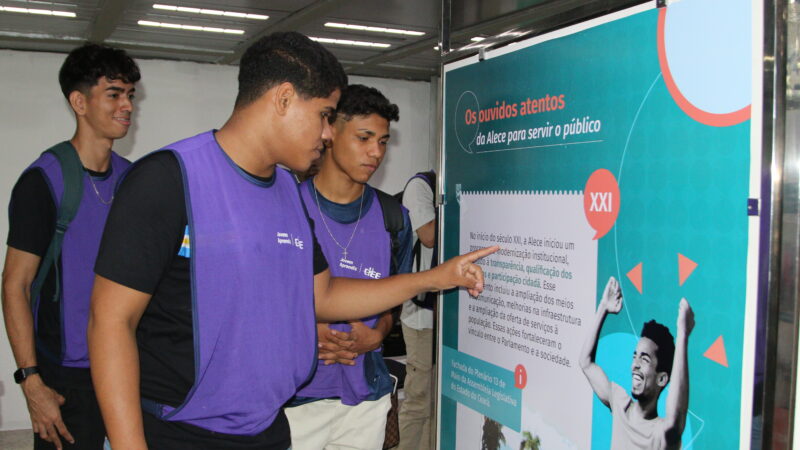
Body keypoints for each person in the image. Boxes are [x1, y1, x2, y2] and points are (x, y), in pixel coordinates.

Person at [87, 31, 495, 450]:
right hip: (180, 432)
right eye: (323, 115)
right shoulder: (168, 179)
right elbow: (110, 323)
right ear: (283, 99)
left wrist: (435, 278)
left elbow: (325, 293)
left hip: (267, 429)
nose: (327, 133)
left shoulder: (286, 189)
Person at [2, 43, 139, 450]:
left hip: (126, 364)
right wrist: (32, 382)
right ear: (79, 101)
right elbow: (15, 285)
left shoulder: (135, 181)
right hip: (66, 376)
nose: (127, 105)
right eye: (114, 93)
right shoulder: (43, 181)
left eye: (130, 95)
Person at [284, 84, 412, 449]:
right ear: (330, 132)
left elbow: (395, 298)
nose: (376, 153)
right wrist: (309, 330)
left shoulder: (394, 219)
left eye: (384, 141)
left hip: (365, 400)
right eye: (364, 138)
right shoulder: (285, 207)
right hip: (295, 399)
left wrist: (379, 333)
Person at [580, 277, 694, 449]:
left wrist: (683, 334)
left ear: (662, 379)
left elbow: (675, 421)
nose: (635, 365)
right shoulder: (620, 404)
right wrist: (603, 307)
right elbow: (586, 362)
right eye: (635, 356)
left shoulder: (661, 433)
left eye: (645, 359)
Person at [398, 170, 437, 450]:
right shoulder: (420, 186)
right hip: (420, 315)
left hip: (443, 316)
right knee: (419, 397)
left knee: (436, 399)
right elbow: (430, 236)